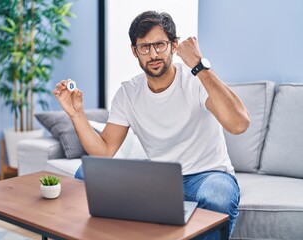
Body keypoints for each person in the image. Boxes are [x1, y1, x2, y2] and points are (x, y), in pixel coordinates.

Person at [53, 11, 250, 238]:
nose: (153, 54)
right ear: (134, 51)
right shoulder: (128, 93)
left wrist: (199, 65)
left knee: (219, 194)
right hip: (160, 179)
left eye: (160, 45)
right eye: (144, 47)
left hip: (208, 175)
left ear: (174, 46)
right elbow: (103, 151)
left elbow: (239, 124)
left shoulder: (196, 79)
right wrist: (77, 115)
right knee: (84, 174)